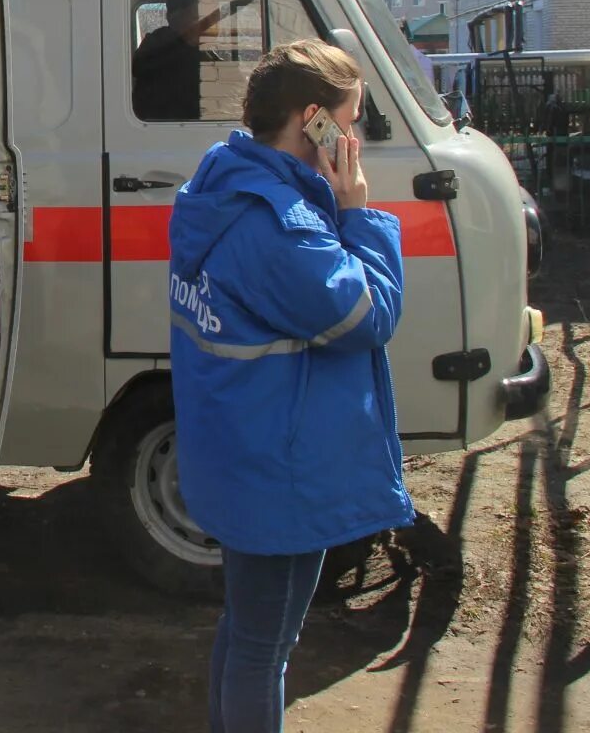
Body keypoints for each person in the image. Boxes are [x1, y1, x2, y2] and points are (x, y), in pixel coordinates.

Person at [165, 39, 413, 733]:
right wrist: (358, 212)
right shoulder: (283, 231)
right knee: (263, 649)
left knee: (246, 633)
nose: (354, 135)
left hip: (240, 453)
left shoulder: (222, 186)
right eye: (349, 116)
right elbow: (371, 315)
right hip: (281, 471)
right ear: (314, 121)